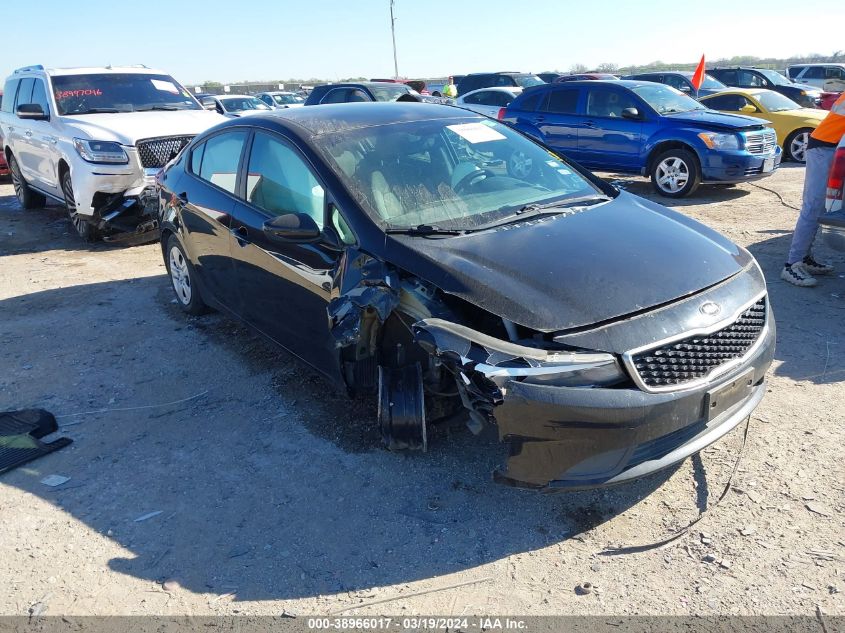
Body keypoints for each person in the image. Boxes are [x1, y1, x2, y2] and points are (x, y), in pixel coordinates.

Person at [782, 93, 845, 287]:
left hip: (827, 146)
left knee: (818, 206)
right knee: (814, 206)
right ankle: (792, 265)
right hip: (823, 148)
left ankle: (805, 258)